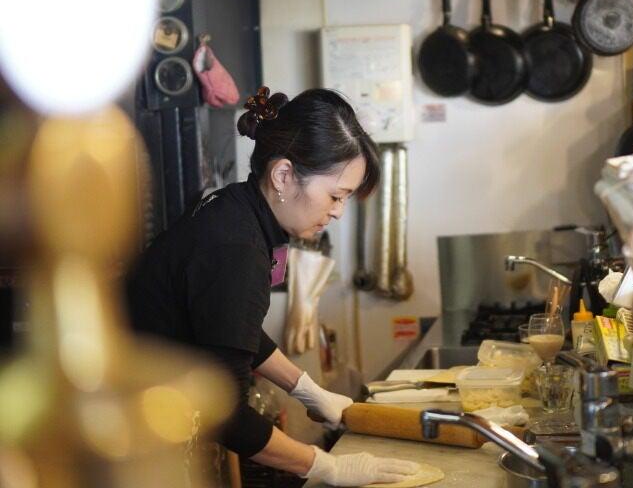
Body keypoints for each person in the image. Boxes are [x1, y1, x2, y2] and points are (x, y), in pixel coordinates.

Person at [126, 87, 418, 486]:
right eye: (336, 195)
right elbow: (224, 410)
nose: (337, 211)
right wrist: (324, 466)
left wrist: (307, 390)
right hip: (130, 430)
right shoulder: (238, 247)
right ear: (283, 175)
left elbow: (230, 328)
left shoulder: (236, 207)